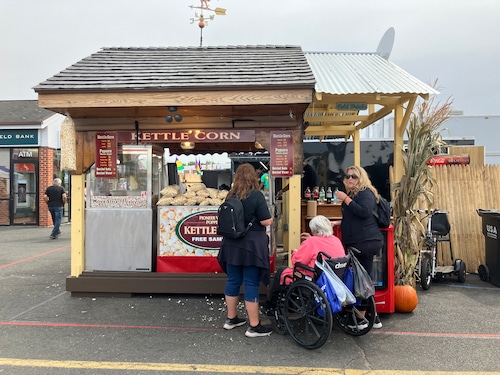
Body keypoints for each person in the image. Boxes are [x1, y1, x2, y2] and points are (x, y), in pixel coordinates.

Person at [217, 163, 274, 337]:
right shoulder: (256, 195)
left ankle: (231, 319)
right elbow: (266, 221)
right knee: (250, 283)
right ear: (253, 177)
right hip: (251, 247)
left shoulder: (230, 195)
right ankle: (254, 326)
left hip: (231, 245)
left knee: (233, 280)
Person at [333, 165, 384, 329]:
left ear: (360, 178)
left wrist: (345, 199)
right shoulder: (355, 195)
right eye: (347, 176)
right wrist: (337, 223)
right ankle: (373, 317)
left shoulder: (365, 193)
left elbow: (364, 212)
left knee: (360, 279)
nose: (349, 179)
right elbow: (355, 218)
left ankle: (361, 319)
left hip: (366, 241)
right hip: (360, 240)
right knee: (364, 278)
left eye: (353, 176)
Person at [264, 215, 346, 311]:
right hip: (335, 277)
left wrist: (294, 252)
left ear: (315, 230)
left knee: (282, 272)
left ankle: (272, 306)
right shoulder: (336, 240)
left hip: (314, 278)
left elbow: (297, 261)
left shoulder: (311, 242)